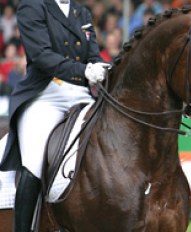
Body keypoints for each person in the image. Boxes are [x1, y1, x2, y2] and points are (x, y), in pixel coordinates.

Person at [0, 0, 110, 231]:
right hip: (45, 94)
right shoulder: (32, 7)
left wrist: (104, 67)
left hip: (81, 94)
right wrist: (85, 70)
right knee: (34, 161)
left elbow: (92, 55)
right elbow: (41, 56)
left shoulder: (82, 12)